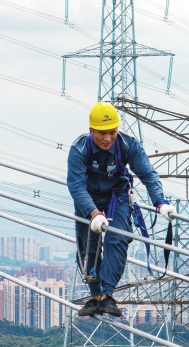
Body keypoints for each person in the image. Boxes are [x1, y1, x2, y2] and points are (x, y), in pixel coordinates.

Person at [67, 101, 176, 317]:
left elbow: (147, 174)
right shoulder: (79, 149)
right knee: (88, 244)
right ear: (91, 131)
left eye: (112, 132)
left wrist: (160, 202)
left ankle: (107, 295)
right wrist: (93, 213)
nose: (107, 138)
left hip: (117, 198)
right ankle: (95, 296)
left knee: (117, 239)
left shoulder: (127, 145)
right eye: (102, 133)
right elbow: (76, 185)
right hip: (88, 200)